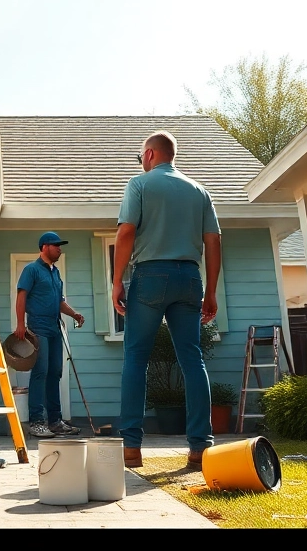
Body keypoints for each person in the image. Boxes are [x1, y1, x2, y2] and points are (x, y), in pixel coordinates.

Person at [111, 131, 221, 470]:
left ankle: (131, 448)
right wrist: (212, 291)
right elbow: (213, 241)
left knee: (135, 358)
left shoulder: (139, 184)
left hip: (151, 276)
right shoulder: (199, 190)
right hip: (189, 277)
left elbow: (126, 231)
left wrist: (117, 282)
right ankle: (200, 447)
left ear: (149, 154)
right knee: (192, 360)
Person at [14, 231, 85, 438]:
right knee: (40, 372)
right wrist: (20, 324)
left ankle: (55, 421)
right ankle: (36, 422)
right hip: (38, 327)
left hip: (55, 328)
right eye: (56, 245)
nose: (60, 249)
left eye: (60, 246)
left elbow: (59, 302)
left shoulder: (55, 273)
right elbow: (21, 297)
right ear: (44, 247)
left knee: (56, 373)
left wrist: (74, 314)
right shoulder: (31, 270)